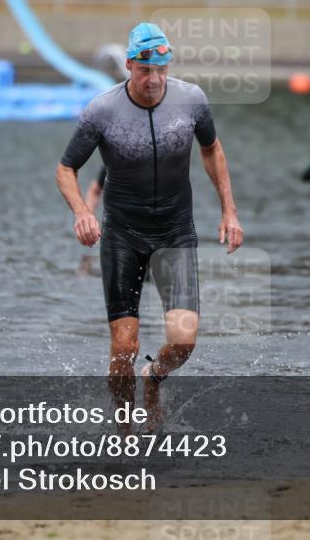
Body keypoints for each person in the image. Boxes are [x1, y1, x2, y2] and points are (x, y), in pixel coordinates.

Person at [56, 22, 244, 432]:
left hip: (176, 231)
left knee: (184, 340)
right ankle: (124, 430)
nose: (154, 79)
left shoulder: (191, 100)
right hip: (123, 234)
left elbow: (212, 149)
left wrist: (229, 211)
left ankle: (153, 378)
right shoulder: (102, 111)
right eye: (145, 70)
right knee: (124, 346)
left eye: (161, 69)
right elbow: (66, 167)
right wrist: (81, 212)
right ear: (129, 66)